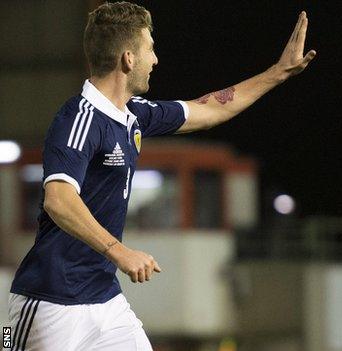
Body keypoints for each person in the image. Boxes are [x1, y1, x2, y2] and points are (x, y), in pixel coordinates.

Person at [8, 2, 315, 350]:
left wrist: (278, 72)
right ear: (128, 58)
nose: (155, 60)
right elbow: (59, 200)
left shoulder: (133, 115)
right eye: (150, 49)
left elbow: (210, 108)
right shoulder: (79, 119)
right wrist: (119, 252)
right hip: (50, 302)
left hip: (105, 300)